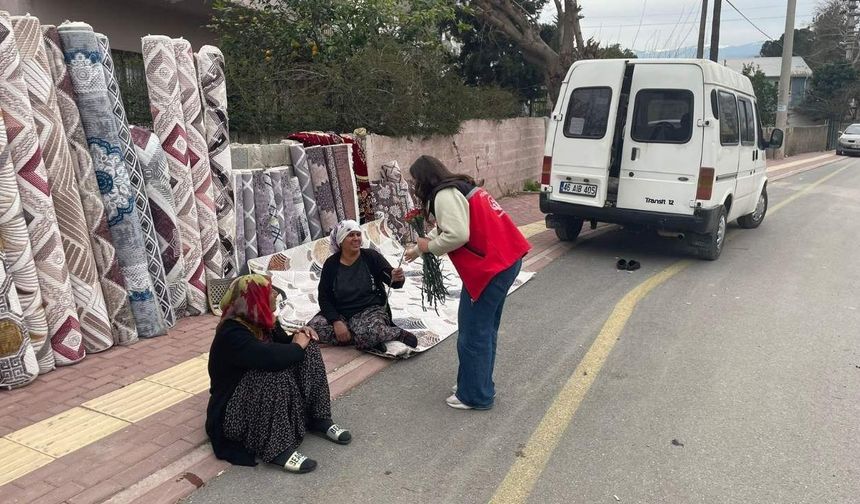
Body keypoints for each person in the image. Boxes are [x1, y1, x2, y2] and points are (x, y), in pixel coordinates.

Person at [405, 155, 531, 410]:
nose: (414, 186)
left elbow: (457, 234)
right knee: (482, 328)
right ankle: (474, 383)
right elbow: (446, 226)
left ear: (423, 178)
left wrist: (428, 247)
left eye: (415, 181)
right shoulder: (456, 187)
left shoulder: (444, 195)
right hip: (504, 259)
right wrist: (419, 250)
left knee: (474, 332)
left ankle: (475, 395)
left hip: (490, 267)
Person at [206, 274, 351, 474]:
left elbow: (283, 344)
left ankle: (318, 418)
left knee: (309, 348)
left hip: (257, 397)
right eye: (269, 290)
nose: (275, 294)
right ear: (254, 299)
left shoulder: (262, 320)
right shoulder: (232, 332)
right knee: (273, 371)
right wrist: (297, 346)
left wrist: (301, 336)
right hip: (233, 411)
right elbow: (270, 358)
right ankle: (277, 448)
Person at [308, 220, 418, 351]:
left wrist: (397, 277)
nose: (356, 239)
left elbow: (392, 280)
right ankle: (367, 338)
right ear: (341, 240)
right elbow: (324, 298)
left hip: (370, 311)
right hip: (341, 313)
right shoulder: (331, 264)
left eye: (358, 234)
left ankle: (397, 334)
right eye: (351, 235)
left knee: (372, 330)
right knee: (312, 329)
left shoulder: (371, 257)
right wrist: (336, 321)